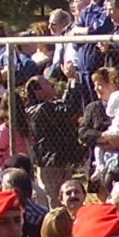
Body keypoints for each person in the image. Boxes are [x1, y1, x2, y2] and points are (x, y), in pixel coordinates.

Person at [25, 67, 86, 208]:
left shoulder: (48, 106)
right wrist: (72, 81)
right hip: (50, 163)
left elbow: (64, 106)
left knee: (65, 196)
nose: (51, 85)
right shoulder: (39, 110)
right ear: (37, 91)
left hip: (60, 159)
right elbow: (69, 109)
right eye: (47, 84)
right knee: (52, 199)